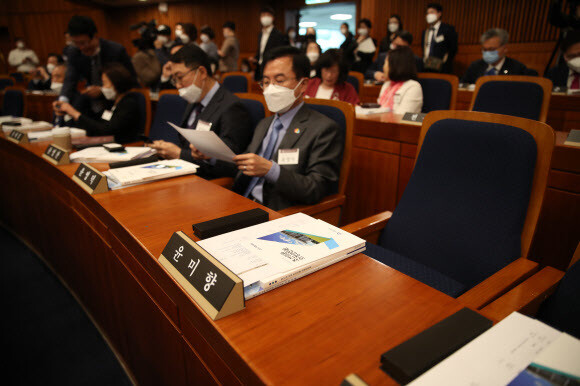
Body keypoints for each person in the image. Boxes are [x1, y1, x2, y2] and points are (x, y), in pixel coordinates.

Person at [229, 46, 344, 210]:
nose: (271, 89)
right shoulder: (264, 124)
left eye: (280, 81)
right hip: (241, 202)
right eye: (266, 82)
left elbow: (315, 188)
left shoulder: (324, 129)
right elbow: (245, 169)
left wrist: (271, 171)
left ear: (303, 84)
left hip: (279, 214)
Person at [149, 45, 253, 179]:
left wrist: (179, 154)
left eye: (180, 77)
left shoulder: (232, 107)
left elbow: (230, 164)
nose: (178, 85)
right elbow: (187, 147)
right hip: (184, 175)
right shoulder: (193, 102)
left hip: (209, 184)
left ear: (202, 72)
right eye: (174, 79)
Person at [56, 15, 136, 121]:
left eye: (83, 42)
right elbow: (70, 79)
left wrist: (103, 90)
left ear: (95, 36)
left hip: (115, 106)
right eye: (76, 43)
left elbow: (131, 81)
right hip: (90, 106)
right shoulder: (73, 52)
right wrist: (62, 101)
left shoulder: (115, 50)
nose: (81, 47)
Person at [54, 63, 141, 144]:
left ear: (116, 83)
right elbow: (97, 123)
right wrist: (72, 113)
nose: (103, 88)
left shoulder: (129, 103)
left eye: (105, 83)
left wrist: (75, 113)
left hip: (125, 145)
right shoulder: (112, 102)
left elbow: (107, 130)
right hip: (108, 143)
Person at [461, 28, 534, 85]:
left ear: (505, 48)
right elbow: (463, 85)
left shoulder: (517, 69)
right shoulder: (475, 66)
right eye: (484, 49)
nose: (487, 53)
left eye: (491, 49)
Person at [377, 46, 423, 114]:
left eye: (385, 63)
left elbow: (402, 116)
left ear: (395, 65)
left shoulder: (413, 87)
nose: (383, 67)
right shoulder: (387, 84)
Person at [252, 6, 288, 80]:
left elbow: (280, 53)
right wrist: (255, 58)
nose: (265, 18)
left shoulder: (278, 34)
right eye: (263, 15)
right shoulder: (260, 34)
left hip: (272, 68)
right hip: (260, 68)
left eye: (267, 15)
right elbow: (261, 51)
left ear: (273, 18)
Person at [421, 3, 458, 74]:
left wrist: (444, 62)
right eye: (427, 13)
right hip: (426, 66)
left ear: (439, 14)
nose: (429, 15)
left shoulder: (448, 29)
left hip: (442, 68)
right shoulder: (425, 32)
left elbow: (453, 49)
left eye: (432, 12)